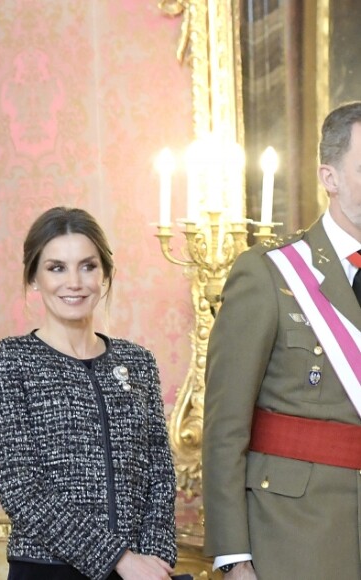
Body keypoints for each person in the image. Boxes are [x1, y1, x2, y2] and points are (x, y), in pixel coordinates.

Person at [202, 100, 361, 579]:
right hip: (297, 531)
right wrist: (233, 556)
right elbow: (225, 426)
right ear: (329, 177)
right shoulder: (270, 272)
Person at [0, 207, 178, 580]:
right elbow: (22, 489)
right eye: (57, 268)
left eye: (88, 266)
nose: (75, 282)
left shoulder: (138, 362)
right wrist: (121, 559)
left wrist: (154, 559)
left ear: (105, 275)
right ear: (34, 278)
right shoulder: (7, 362)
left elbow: (160, 474)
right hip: (48, 570)